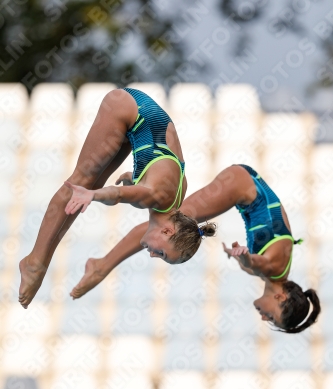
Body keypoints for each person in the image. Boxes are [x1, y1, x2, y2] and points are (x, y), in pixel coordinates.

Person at [18, 88, 216, 309]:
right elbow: (117, 195)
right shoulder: (154, 197)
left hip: (142, 120)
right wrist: (93, 195)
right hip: (128, 107)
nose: (152, 254)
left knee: (91, 185)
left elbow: (166, 168)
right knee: (80, 183)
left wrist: (136, 178)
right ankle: (35, 262)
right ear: (168, 231)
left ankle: (42, 259)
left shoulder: (173, 202)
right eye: (161, 253)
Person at [70, 164, 321, 334]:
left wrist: (245, 260)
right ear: (281, 297)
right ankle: (101, 265)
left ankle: (137, 187)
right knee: (168, 225)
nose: (264, 318)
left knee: (170, 222)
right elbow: (259, 263)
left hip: (245, 186)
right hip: (242, 187)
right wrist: (245, 259)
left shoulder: (278, 270)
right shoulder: (274, 269)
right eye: (273, 317)